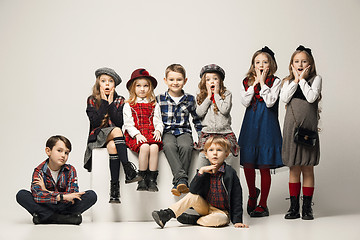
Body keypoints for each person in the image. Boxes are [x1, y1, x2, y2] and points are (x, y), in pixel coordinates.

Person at [151, 136, 248, 229]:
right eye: (211, 150)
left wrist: (237, 221)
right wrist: (201, 172)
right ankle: (167, 214)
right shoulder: (204, 171)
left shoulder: (230, 173)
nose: (215, 153)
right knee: (192, 196)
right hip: (206, 207)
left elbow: (236, 197)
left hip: (222, 213)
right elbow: (193, 190)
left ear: (226, 154)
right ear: (206, 154)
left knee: (218, 220)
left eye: (219, 150)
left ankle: (194, 220)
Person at [84, 67, 142, 204]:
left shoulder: (120, 100)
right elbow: (95, 122)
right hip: (97, 137)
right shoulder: (92, 99)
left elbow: (119, 121)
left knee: (113, 148)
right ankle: (128, 169)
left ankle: (114, 191)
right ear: (98, 83)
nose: (107, 84)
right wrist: (104, 102)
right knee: (117, 131)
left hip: (113, 139)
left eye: (110, 81)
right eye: (103, 81)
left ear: (114, 85)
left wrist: (110, 103)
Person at [238, 46, 283, 217]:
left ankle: (263, 204)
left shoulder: (276, 81)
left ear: (270, 65)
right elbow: (245, 102)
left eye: (264, 62)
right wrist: (255, 83)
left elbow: (270, 101)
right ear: (253, 65)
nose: (261, 65)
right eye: (257, 62)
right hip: (250, 124)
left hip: (267, 125)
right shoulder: (247, 81)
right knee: (248, 163)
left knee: (264, 165)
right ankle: (252, 194)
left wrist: (263, 83)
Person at [280, 45, 322, 220]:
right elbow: (284, 98)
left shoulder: (316, 79)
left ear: (310, 64)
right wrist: (296, 80)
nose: (300, 64)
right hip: (292, 128)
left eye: (304, 61)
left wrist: (303, 79)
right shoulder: (287, 82)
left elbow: (312, 97)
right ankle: (293, 207)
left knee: (308, 167)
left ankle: (307, 208)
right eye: (296, 61)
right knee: (294, 168)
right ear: (291, 64)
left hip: (308, 129)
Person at [16, 135, 97, 225]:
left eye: (66, 153)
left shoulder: (70, 170)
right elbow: (37, 196)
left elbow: (72, 195)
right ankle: (65, 218)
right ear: (48, 151)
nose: (63, 155)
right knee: (22, 195)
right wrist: (62, 197)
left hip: (65, 206)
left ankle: (45, 217)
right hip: (46, 205)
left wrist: (46, 191)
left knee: (91, 195)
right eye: (59, 151)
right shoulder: (39, 171)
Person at [156, 64, 202, 196]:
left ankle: (178, 182)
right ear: (165, 80)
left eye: (179, 80)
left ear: (185, 81)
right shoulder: (159, 99)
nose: (175, 83)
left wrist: (200, 137)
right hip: (167, 132)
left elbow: (196, 120)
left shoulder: (190, 99)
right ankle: (182, 179)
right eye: (171, 80)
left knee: (186, 146)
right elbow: (155, 118)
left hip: (184, 131)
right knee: (169, 146)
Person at [124, 68, 164, 192]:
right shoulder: (129, 104)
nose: (142, 89)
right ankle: (141, 178)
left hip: (150, 132)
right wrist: (136, 134)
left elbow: (158, 121)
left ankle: (152, 179)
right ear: (133, 88)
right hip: (136, 134)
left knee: (154, 147)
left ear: (150, 88)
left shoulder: (154, 104)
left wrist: (158, 131)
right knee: (145, 147)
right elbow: (128, 124)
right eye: (139, 86)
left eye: (145, 86)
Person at [195, 64, 240, 167]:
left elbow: (224, 110)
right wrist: (209, 97)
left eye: (215, 79)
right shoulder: (201, 95)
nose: (212, 81)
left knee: (230, 155)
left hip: (225, 132)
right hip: (207, 133)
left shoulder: (227, 94)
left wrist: (216, 94)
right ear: (204, 82)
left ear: (220, 81)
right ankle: (200, 179)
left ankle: (228, 180)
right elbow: (199, 113)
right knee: (203, 156)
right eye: (208, 79)